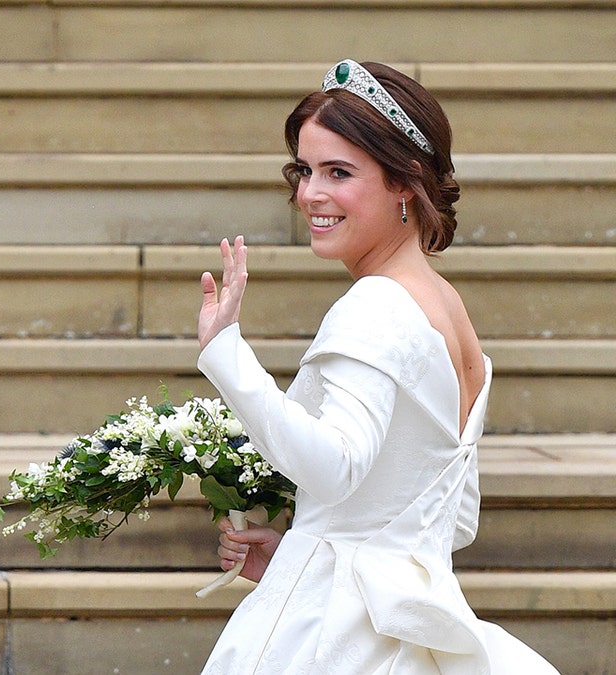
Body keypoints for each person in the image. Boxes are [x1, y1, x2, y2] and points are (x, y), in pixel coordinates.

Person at [195, 59, 559, 673]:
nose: (311, 193)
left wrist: (225, 351)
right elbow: (455, 517)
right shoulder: (445, 307)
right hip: (412, 628)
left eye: (339, 172)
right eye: (306, 170)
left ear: (404, 183)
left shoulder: (376, 304)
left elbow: (336, 470)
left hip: (335, 638)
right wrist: (304, 550)